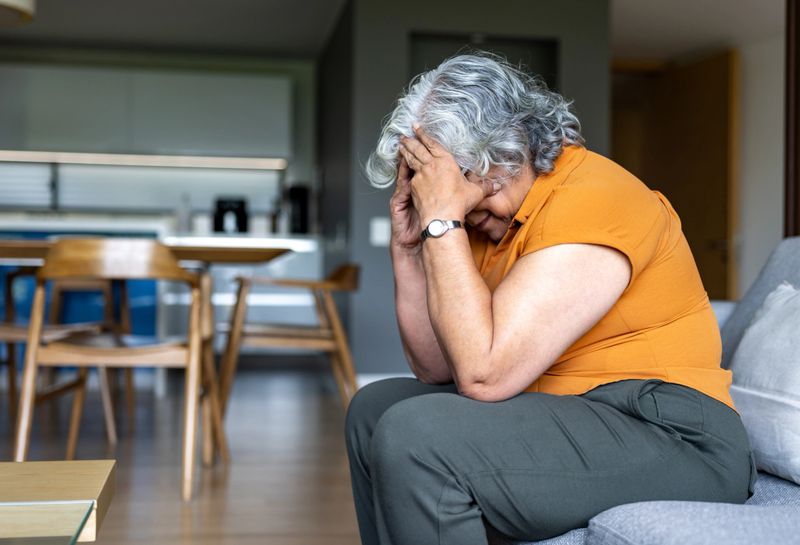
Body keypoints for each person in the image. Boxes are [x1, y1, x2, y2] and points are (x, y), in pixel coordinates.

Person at [345, 52, 755, 545]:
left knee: (418, 435)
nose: (462, 210)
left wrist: (443, 221)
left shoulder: (596, 196)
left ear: (506, 151)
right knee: (373, 409)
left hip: (672, 434)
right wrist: (410, 246)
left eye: (459, 184)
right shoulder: (482, 222)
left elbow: (483, 376)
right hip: (571, 410)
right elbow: (436, 367)